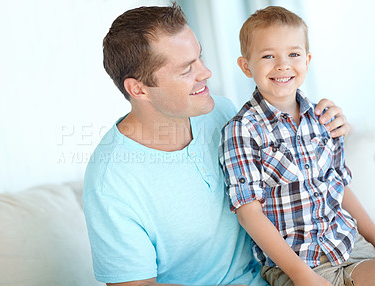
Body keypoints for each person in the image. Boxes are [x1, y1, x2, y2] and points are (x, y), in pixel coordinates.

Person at [83, 4, 350, 286]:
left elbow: (304, 174)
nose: (206, 72)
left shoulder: (221, 112)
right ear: (139, 89)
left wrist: (331, 124)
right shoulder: (110, 184)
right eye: (187, 70)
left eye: (200, 57)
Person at [219, 6, 375, 286]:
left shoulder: (323, 117)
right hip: (298, 264)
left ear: (307, 59)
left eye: (293, 54)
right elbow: (249, 213)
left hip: (349, 246)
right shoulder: (242, 130)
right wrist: (302, 276)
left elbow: (339, 185)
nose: (283, 65)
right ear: (246, 66)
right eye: (268, 56)